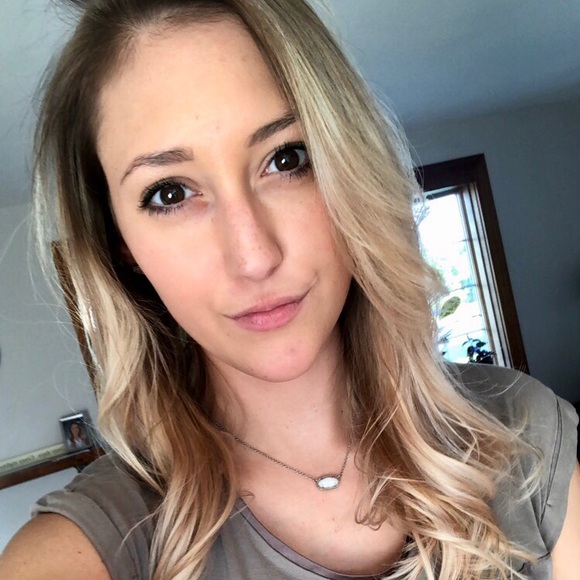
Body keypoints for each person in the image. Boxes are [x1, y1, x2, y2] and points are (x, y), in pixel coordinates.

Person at [0, 0, 578, 578]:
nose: (255, 257)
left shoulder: (523, 433)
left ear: (351, 169)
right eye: (170, 193)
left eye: (287, 158)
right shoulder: (96, 544)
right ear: (120, 242)